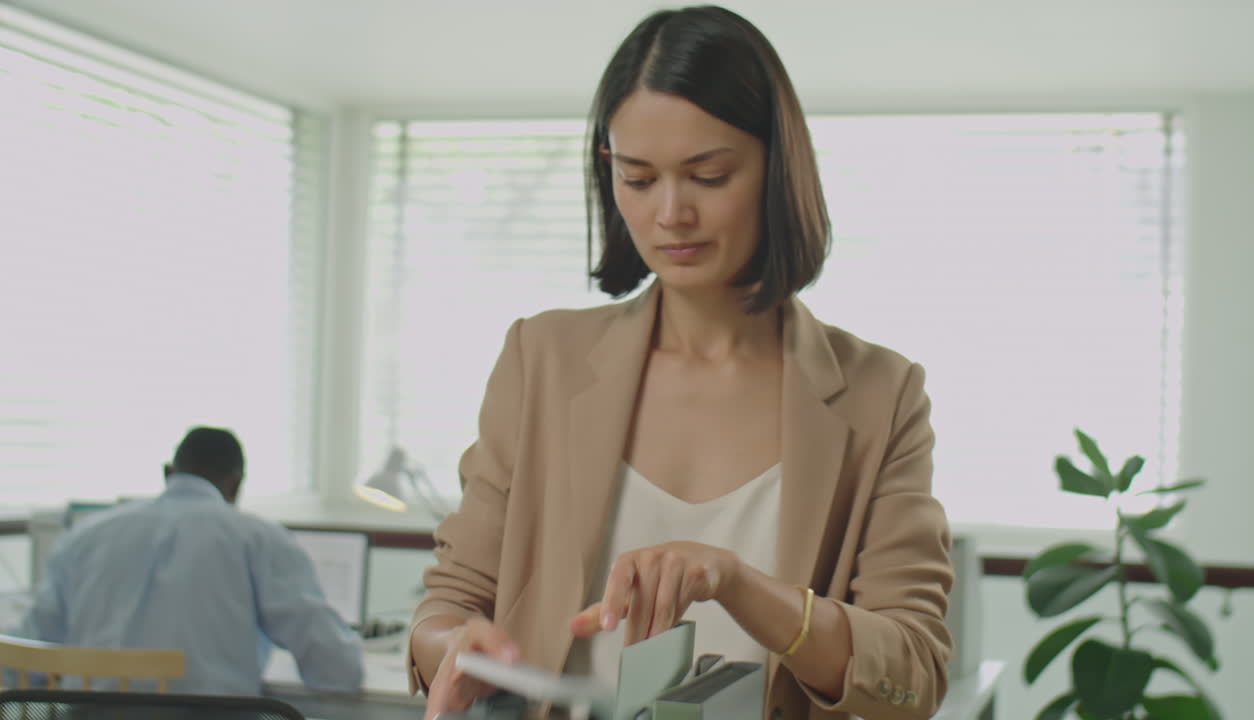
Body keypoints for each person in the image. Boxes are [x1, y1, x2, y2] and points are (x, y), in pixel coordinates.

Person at [409, 6, 953, 719]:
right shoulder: (542, 359)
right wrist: (452, 645)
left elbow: (911, 676)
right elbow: (447, 605)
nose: (670, 215)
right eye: (638, 179)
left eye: (709, 175)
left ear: (776, 167)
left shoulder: (881, 395)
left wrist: (740, 584)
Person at [9, 426, 364, 695]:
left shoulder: (84, 536)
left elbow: (23, 656)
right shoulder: (258, 539)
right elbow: (338, 671)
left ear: (168, 473)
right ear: (235, 484)